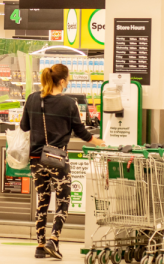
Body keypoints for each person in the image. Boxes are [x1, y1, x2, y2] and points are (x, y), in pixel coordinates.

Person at [20, 63, 104, 260]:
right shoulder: (69, 103)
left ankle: (40, 245)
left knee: (42, 199)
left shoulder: (32, 98)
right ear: (62, 81)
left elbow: (24, 126)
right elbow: (82, 132)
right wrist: (99, 142)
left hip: (35, 159)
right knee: (63, 200)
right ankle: (54, 240)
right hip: (57, 158)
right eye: (68, 80)